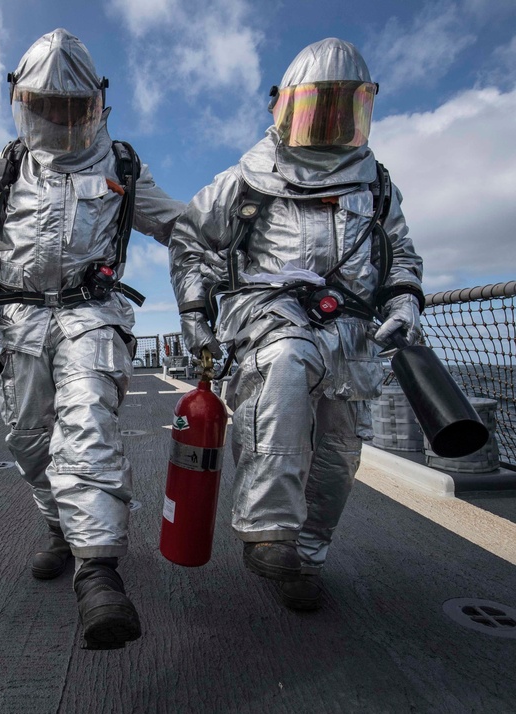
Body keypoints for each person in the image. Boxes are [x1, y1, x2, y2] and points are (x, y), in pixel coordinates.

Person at [0, 29, 184, 649]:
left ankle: (98, 572)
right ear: (25, 105)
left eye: (70, 107)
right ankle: (59, 526)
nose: (57, 118)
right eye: (45, 107)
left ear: (95, 104)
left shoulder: (122, 166)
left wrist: (233, 245)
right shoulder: (5, 169)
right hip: (21, 323)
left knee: (86, 424)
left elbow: (183, 226)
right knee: (27, 440)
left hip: (92, 315)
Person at [169, 39, 423, 610]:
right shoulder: (246, 180)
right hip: (268, 317)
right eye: (317, 109)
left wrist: (404, 302)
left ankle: (304, 560)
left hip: (352, 334)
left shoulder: (377, 187)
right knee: (286, 361)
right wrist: (194, 313)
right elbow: (191, 240)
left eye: (342, 110)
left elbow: (401, 255)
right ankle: (267, 530)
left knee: (338, 454)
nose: (329, 124)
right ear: (283, 108)